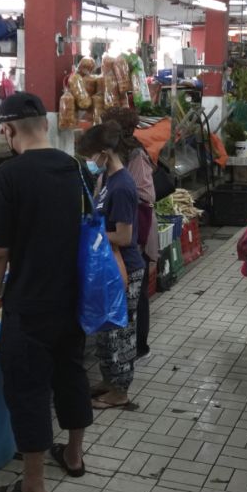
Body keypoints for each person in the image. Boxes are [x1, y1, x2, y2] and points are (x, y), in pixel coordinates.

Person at [0, 92, 92, 492]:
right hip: (73, 298)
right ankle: (74, 455)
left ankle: (33, 488)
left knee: (27, 389)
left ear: (7, 130)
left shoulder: (10, 176)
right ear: (45, 123)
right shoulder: (76, 169)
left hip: (30, 302)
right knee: (71, 374)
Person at [77, 121, 146, 411]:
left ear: (105, 152)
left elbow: (125, 236)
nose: (90, 163)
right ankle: (109, 380)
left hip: (124, 269)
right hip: (108, 266)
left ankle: (120, 392)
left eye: (91, 156)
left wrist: (89, 233)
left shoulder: (123, 186)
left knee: (120, 331)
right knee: (106, 330)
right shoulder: (106, 178)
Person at [103, 106, 156, 360]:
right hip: (124, 231)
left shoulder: (135, 154)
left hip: (138, 230)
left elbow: (146, 194)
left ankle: (138, 346)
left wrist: (121, 197)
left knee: (138, 289)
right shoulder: (117, 155)